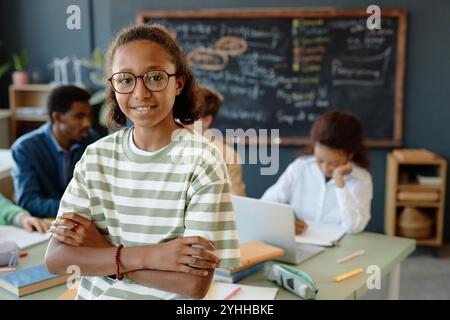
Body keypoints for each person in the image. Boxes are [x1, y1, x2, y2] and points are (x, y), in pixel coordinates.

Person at [45, 24, 240, 300]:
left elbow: (193, 286)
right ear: (113, 86)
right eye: (125, 80)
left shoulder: (202, 162)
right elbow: (57, 258)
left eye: (155, 77)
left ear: (178, 83)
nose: (140, 93)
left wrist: (102, 250)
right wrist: (154, 256)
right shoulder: (95, 157)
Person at [262, 110, 373, 234]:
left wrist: (340, 183)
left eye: (333, 164)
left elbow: (354, 227)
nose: (325, 168)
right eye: (319, 160)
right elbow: (266, 203)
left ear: (350, 155)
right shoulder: (300, 167)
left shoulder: (361, 179)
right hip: (300, 242)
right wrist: (285, 222)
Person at [11, 85, 100, 218]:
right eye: (79, 117)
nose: (87, 123)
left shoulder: (92, 139)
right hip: (46, 225)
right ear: (57, 117)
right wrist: (76, 208)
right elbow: (28, 201)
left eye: (89, 116)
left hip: (86, 221)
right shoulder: (25, 148)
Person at [193, 85, 246, 196]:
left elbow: (236, 202)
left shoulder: (229, 157)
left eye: (191, 117)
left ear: (207, 120)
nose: (182, 122)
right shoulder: (172, 147)